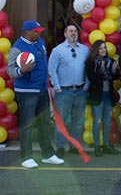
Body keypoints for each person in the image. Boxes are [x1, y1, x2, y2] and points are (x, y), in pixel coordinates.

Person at [7, 20, 64, 169]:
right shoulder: (16, 48)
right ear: (27, 32)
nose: (39, 33)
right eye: (36, 31)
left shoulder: (41, 43)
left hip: (42, 89)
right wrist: (22, 70)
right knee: (27, 125)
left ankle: (47, 154)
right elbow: (10, 71)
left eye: (39, 31)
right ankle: (26, 157)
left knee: (44, 123)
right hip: (27, 92)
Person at [48, 25, 90, 157]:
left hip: (80, 90)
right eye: (70, 31)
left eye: (75, 31)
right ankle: (60, 147)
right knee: (62, 121)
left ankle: (74, 146)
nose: (73, 33)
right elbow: (52, 69)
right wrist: (57, 86)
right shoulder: (58, 50)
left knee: (78, 121)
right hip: (64, 91)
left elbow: (89, 68)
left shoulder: (84, 50)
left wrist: (86, 85)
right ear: (65, 34)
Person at [85, 40, 120, 156]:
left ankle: (106, 145)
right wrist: (100, 70)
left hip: (108, 95)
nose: (103, 50)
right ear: (96, 50)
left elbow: (115, 77)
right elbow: (92, 78)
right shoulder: (91, 62)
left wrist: (114, 70)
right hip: (97, 95)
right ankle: (96, 146)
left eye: (104, 48)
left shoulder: (110, 61)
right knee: (97, 121)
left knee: (107, 121)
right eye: (100, 48)